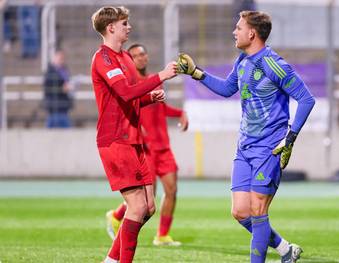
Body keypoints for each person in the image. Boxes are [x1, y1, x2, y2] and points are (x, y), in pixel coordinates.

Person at [177, 10, 315, 263]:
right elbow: (228, 88)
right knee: (241, 212)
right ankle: (286, 250)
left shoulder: (275, 64)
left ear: (252, 33)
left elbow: (306, 99)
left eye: (239, 28)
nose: (234, 31)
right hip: (244, 147)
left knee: (257, 209)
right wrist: (197, 73)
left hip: (269, 148)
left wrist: (290, 137)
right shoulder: (242, 60)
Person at [90, 6, 177, 263]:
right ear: (111, 28)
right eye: (124, 23)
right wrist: (161, 76)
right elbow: (126, 93)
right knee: (137, 207)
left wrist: (150, 97)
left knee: (148, 208)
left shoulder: (126, 59)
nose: (129, 27)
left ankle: (111, 261)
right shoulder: (102, 59)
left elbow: (130, 97)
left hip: (134, 140)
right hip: (115, 140)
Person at [106, 43, 189, 247]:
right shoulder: (131, 84)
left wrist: (180, 113)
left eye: (143, 53)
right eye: (136, 55)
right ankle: (116, 215)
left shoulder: (154, 81)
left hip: (163, 147)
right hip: (145, 150)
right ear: (130, 61)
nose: (141, 57)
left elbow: (159, 109)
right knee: (143, 199)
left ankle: (162, 235)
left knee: (172, 190)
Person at [43, 50, 73, 128]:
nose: (61, 60)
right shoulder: (50, 72)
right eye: (60, 58)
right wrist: (61, 88)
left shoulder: (64, 70)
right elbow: (48, 87)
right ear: (54, 58)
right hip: (54, 106)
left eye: (62, 58)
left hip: (63, 106)